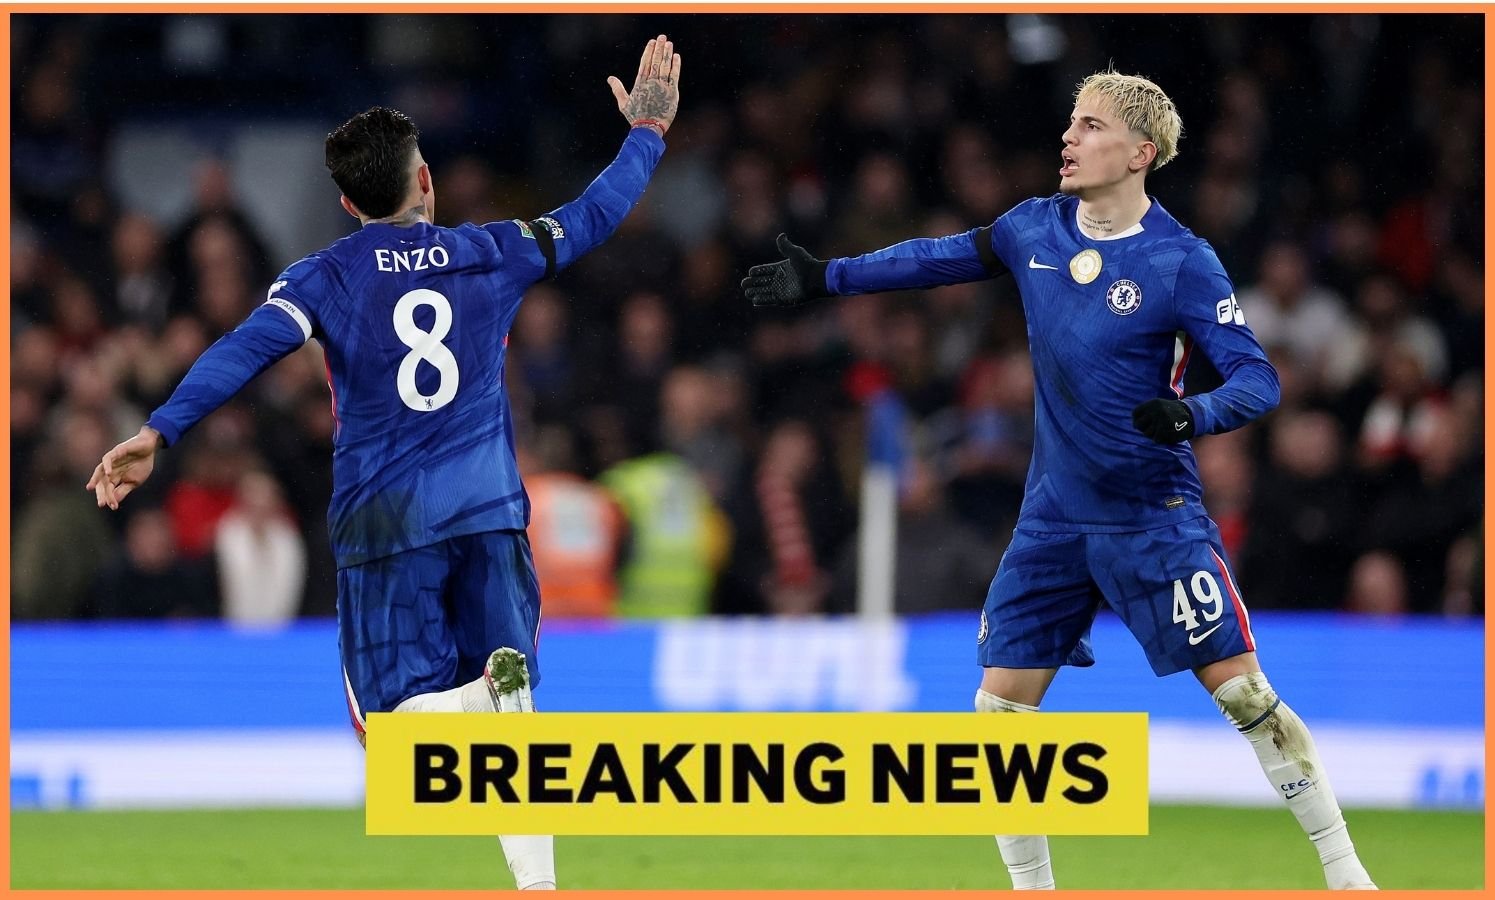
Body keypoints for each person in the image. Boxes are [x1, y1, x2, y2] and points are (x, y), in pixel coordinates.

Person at [743, 70, 1376, 891]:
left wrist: (1193, 416)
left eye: (1089, 126)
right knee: (998, 717)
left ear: (1139, 153)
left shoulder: (1181, 261)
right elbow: (932, 260)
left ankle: (1344, 870)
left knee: (1245, 697)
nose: (1068, 139)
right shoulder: (1031, 228)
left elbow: (1257, 380)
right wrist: (827, 275)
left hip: (1154, 517)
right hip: (1052, 521)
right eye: (1070, 124)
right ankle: (1032, 890)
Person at [86, 34, 683, 892]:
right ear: (425, 180)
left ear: (344, 202)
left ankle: (485, 710)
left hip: (385, 524)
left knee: (393, 743)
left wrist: (161, 429)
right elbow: (592, 215)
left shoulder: (326, 275)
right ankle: (537, 873)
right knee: (518, 727)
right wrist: (647, 134)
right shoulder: (492, 250)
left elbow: (244, 348)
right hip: (489, 514)